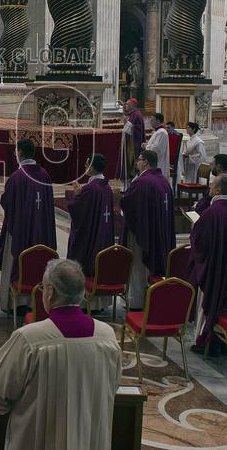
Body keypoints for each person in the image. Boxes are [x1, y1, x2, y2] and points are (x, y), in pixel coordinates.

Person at [0, 259, 121, 450]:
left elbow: (0, 391)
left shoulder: (29, 338)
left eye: (42, 287)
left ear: (50, 293)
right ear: (82, 292)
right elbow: (113, 386)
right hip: (88, 439)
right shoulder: (107, 336)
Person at [189, 176, 227, 354]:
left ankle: (205, 339)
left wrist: (196, 228)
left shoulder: (212, 212)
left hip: (215, 268)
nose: (209, 187)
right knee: (226, 302)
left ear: (218, 190)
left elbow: (200, 242)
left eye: (212, 185)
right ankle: (220, 339)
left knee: (207, 302)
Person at [0, 139, 56, 314]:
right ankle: (36, 302)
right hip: (41, 230)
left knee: (16, 261)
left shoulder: (17, 177)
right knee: (38, 259)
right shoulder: (44, 174)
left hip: (20, 231)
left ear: (20, 153)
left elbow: (7, 202)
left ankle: (14, 303)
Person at [120, 149, 175, 308]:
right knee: (150, 268)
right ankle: (151, 300)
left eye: (139, 159)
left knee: (138, 266)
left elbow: (128, 204)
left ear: (145, 162)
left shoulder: (142, 182)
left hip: (142, 233)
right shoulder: (164, 181)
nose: (137, 162)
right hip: (158, 231)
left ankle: (136, 301)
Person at [66, 153, 114, 279]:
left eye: (87, 164)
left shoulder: (91, 188)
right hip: (102, 233)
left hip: (89, 236)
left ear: (92, 168)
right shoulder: (106, 186)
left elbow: (76, 210)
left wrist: (77, 195)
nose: (85, 166)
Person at [120, 99, 146, 184]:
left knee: (132, 164)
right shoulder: (133, 114)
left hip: (134, 145)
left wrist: (126, 123)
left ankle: (132, 182)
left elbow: (134, 129)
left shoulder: (136, 114)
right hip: (130, 143)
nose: (125, 106)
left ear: (132, 105)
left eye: (127, 104)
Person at [144, 112, 170, 181]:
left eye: (152, 120)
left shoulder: (162, 132)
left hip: (159, 163)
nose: (150, 122)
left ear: (158, 121)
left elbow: (157, 150)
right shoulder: (158, 132)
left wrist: (146, 146)